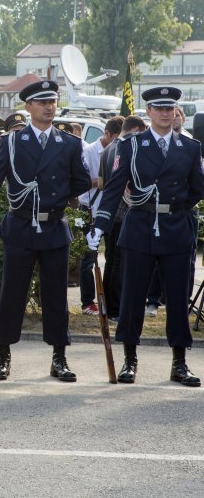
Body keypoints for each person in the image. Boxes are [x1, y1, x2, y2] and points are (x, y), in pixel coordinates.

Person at [88, 87, 203, 387]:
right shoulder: (131, 146)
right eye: (158, 108)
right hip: (139, 226)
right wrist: (99, 225)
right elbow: (113, 189)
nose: (165, 113)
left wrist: (173, 207)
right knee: (132, 296)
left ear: (176, 112)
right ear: (148, 112)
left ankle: (179, 362)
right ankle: (130, 359)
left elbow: (197, 189)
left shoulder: (190, 148)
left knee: (178, 297)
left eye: (170, 108)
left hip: (175, 228)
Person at [0, 80, 90, 382]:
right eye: (42, 102)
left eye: (52, 102)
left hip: (54, 225)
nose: (48, 107)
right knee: (12, 294)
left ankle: (59, 357)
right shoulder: (12, 142)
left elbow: (81, 181)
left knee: (56, 295)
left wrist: (58, 197)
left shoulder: (69, 143)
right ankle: (3, 355)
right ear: (28, 107)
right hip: (20, 225)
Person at [98, 115, 147, 323]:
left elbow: (101, 183)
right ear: (136, 129)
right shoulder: (127, 148)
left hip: (111, 212)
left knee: (111, 261)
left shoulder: (109, 148)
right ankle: (116, 308)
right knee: (119, 263)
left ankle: (109, 305)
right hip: (124, 211)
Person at [77, 117, 123, 316]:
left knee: (113, 258)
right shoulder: (87, 152)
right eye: (115, 138)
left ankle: (108, 301)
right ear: (107, 134)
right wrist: (104, 181)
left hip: (112, 213)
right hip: (89, 210)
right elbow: (80, 182)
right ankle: (88, 302)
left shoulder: (121, 151)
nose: (117, 143)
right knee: (89, 259)